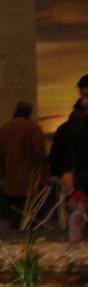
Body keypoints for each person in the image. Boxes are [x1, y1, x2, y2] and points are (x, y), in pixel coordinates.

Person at [0, 102, 47, 229]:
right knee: (31, 218)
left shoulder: (4, 128)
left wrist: (3, 173)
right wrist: (43, 174)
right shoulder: (33, 128)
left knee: (14, 214)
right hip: (30, 179)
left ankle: (14, 234)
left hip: (10, 178)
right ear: (29, 113)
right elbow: (40, 154)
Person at [61, 74, 88, 243]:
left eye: (87, 96)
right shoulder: (84, 127)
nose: (83, 102)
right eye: (82, 96)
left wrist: (75, 179)